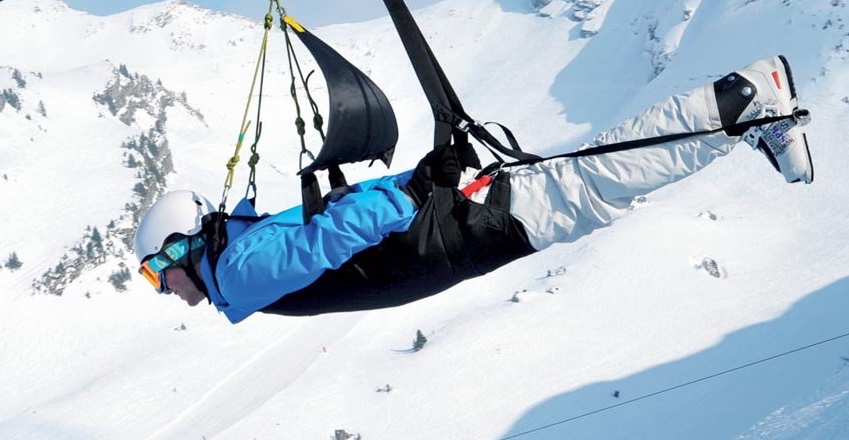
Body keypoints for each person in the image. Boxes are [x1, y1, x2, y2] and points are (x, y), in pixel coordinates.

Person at [135, 57, 812, 320]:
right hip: (439, 225)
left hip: (446, 236)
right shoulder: (241, 256)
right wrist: (424, 182)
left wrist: (412, 196)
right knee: (589, 179)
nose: (165, 290)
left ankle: (746, 101)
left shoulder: (239, 272)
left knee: (594, 186)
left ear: (179, 246)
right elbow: (334, 227)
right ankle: (740, 115)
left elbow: (329, 237)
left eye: (156, 274)